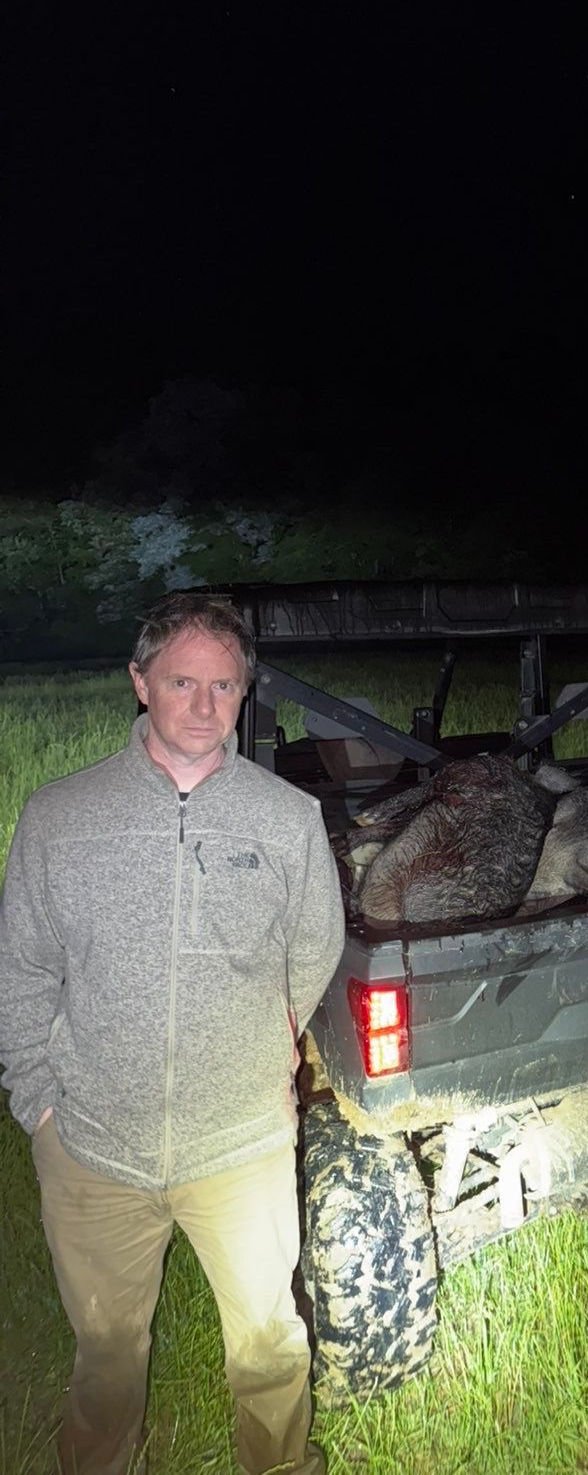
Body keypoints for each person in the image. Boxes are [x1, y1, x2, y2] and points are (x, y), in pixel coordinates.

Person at [0, 593, 346, 1475]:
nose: (203, 705)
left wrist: (263, 1055)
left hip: (242, 1147)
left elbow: (311, 954)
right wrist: (39, 1102)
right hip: (92, 1148)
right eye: (182, 681)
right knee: (106, 1360)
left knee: (271, 1349)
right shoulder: (59, 817)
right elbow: (23, 971)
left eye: (224, 686)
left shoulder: (286, 820)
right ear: (139, 684)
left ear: (244, 694)